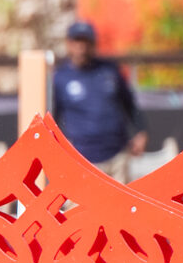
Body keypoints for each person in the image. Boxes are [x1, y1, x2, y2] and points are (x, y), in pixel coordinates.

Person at [52, 21, 149, 179]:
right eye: (77, 41)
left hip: (117, 154)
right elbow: (53, 114)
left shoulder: (109, 70)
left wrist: (140, 131)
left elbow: (129, 103)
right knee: (81, 196)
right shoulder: (61, 77)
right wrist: (60, 143)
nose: (81, 47)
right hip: (81, 158)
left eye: (86, 41)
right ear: (69, 44)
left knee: (121, 195)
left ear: (93, 44)